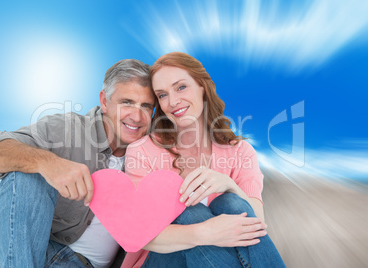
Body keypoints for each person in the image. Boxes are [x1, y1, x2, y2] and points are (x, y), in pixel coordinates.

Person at [0, 59, 156, 268]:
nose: (137, 116)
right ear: (104, 101)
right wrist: (48, 163)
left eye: (146, 106)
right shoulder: (67, 130)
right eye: (127, 102)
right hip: (13, 249)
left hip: (79, 263)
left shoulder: (153, 156)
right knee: (27, 172)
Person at [121, 52, 286, 267]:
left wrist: (229, 185)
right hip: (160, 259)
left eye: (181, 87)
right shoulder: (143, 151)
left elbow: (258, 224)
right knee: (189, 211)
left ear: (202, 86)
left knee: (231, 200)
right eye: (162, 95)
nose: (172, 101)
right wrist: (204, 233)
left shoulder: (240, 151)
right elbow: (137, 234)